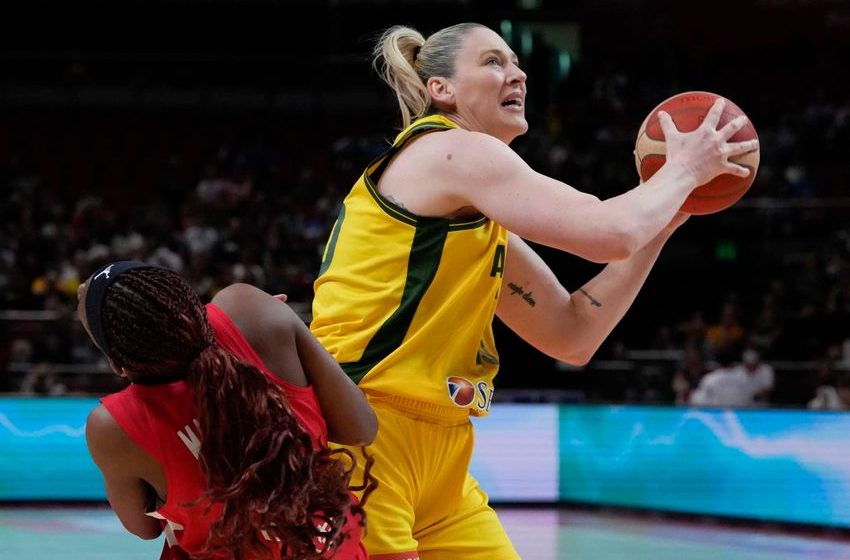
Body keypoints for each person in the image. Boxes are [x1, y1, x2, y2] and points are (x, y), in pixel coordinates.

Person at [310, 22, 759, 560]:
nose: (517, 72)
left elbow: (572, 334)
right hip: (364, 432)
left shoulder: (475, 219)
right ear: (442, 89)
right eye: (493, 61)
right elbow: (607, 231)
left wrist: (665, 219)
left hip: (443, 457)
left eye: (517, 63)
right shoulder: (449, 151)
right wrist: (682, 170)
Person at [80, 261, 377, 559]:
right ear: (191, 305)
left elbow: (143, 528)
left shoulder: (113, 425)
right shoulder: (249, 308)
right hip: (328, 547)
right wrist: (268, 323)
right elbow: (362, 428)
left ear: (118, 367)